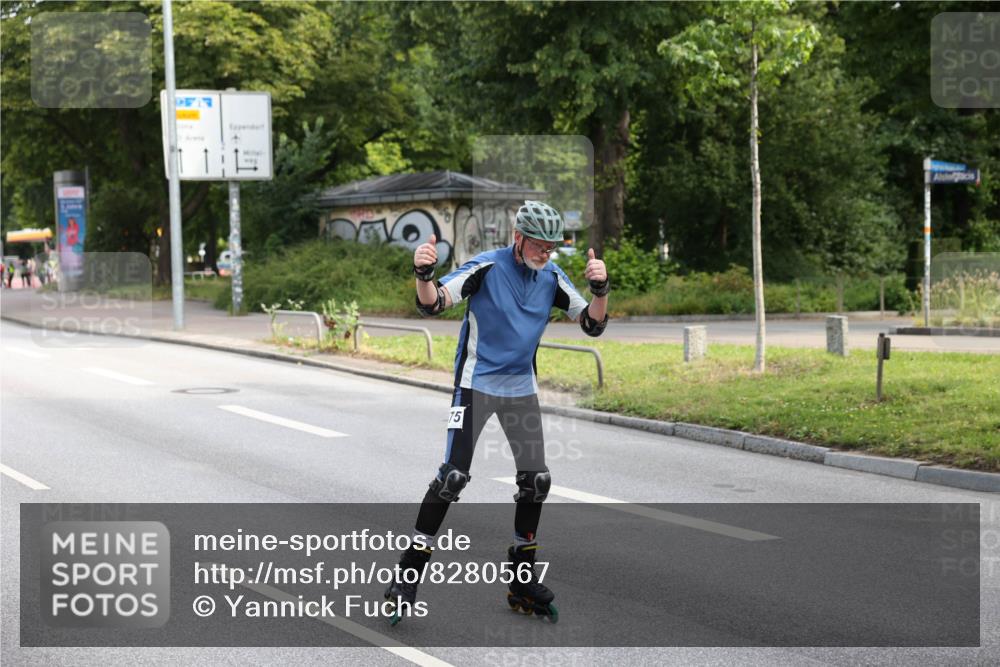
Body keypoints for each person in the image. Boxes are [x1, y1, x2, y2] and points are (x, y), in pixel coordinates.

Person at [384, 200, 610, 624]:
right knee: (452, 477)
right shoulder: (486, 267)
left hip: (520, 389)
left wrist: (600, 291)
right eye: (540, 246)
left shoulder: (553, 277)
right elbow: (433, 304)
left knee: (536, 480)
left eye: (552, 248)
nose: (547, 254)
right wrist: (423, 274)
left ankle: (521, 577)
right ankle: (407, 575)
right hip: (476, 385)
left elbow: (592, 324)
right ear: (518, 239)